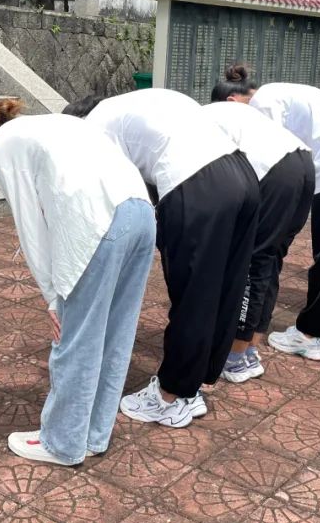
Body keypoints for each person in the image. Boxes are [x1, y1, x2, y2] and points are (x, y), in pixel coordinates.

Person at [0, 99, 156, 465]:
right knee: (116, 334)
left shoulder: (1, 145)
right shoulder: (48, 125)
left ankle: (62, 443)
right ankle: (94, 435)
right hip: (142, 213)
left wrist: (52, 297)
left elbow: (30, 227)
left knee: (75, 339)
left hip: (99, 222)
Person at [64, 89, 259, 428]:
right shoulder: (134, 105)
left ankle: (170, 397)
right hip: (242, 174)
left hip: (199, 185)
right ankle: (192, 388)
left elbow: (116, 192)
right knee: (226, 285)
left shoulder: (94, 127)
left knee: (193, 296)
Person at [213, 66, 320, 361]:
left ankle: (309, 335)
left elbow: (271, 155)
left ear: (231, 103)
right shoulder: (280, 92)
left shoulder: (263, 103)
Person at [200, 99, 314, 383]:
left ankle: (235, 358)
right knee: (270, 259)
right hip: (303, 163)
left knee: (254, 262)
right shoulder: (218, 113)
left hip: (276, 172)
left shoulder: (195, 123)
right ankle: (250, 349)